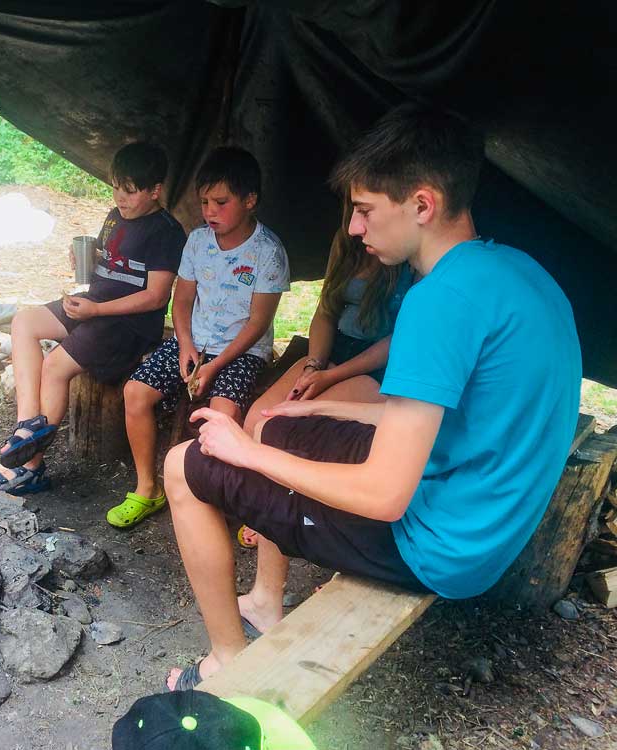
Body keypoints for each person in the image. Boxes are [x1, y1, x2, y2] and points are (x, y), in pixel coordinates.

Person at [161, 104, 581, 691]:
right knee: (280, 422)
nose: (354, 229)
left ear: (422, 205)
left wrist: (247, 452)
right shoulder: (515, 270)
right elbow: (457, 416)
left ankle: (226, 662)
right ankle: (263, 601)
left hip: (436, 546)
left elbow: (385, 496)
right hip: (485, 516)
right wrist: (323, 407)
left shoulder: (439, 301)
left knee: (185, 465)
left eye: (364, 210)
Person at [0, 142, 185, 495]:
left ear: (155, 191)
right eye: (116, 187)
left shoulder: (166, 232)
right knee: (24, 323)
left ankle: (30, 468)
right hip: (94, 303)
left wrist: (97, 311)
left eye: (130, 191)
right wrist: (85, 260)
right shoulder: (115, 215)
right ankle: (28, 425)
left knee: (54, 366)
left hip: (127, 324)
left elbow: (156, 296)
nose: (120, 197)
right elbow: (110, 260)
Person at [107, 147, 289, 528]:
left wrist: (216, 365)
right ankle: (147, 489)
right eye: (205, 202)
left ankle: (216, 501)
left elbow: (258, 323)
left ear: (250, 200)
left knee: (221, 416)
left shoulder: (268, 252)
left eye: (221, 202)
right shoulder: (197, 241)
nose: (210, 211)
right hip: (194, 343)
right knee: (135, 392)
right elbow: (183, 299)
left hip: (242, 352)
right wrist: (186, 344)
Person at [236, 201, 414, 548]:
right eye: (353, 207)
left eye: (366, 209)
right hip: (333, 350)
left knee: (288, 428)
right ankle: (260, 501)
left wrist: (331, 377)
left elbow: (400, 340)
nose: (357, 222)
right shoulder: (345, 240)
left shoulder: (409, 256)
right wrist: (314, 365)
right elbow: (325, 311)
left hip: (378, 365)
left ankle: (284, 513)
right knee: (257, 417)